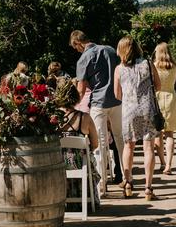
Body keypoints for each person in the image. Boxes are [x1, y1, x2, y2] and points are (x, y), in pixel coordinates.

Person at [70, 30, 125, 196]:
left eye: (75, 48)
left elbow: (80, 89)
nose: (77, 51)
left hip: (99, 103)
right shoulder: (109, 49)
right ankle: (126, 179)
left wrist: (72, 106)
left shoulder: (84, 59)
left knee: (100, 143)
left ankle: (102, 186)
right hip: (117, 100)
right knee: (120, 139)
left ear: (77, 43)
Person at [113, 36, 161, 200]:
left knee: (129, 147)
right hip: (147, 108)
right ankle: (148, 188)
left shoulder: (119, 69)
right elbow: (158, 85)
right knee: (149, 147)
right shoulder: (147, 63)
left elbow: (117, 95)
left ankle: (128, 184)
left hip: (129, 110)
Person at [55, 80, 101, 210]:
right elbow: (95, 144)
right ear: (75, 96)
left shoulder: (53, 119)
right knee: (90, 158)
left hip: (58, 165)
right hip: (81, 165)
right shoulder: (84, 118)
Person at [152, 42, 176, 175]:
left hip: (157, 98)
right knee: (170, 134)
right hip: (170, 98)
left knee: (158, 133)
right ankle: (169, 164)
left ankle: (162, 162)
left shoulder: (154, 67)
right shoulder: (174, 67)